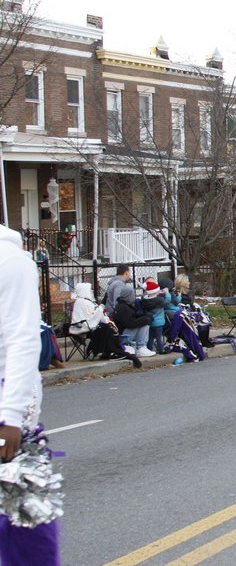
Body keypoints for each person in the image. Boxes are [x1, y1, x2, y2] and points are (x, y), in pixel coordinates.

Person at [0, 224, 61, 563]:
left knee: (21, 524)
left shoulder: (10, 261)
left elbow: (22, 339)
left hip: (6, 410)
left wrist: (9, 415)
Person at [141, 279, 168, 354]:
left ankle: (149, 349)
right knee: (159, 338)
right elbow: (167, 301)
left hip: (150, 322)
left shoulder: (146, 300)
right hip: (159, 323)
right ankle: (161, 349)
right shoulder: (159, 300)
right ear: (155, 291)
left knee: (150, 338)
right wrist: (167, 293)